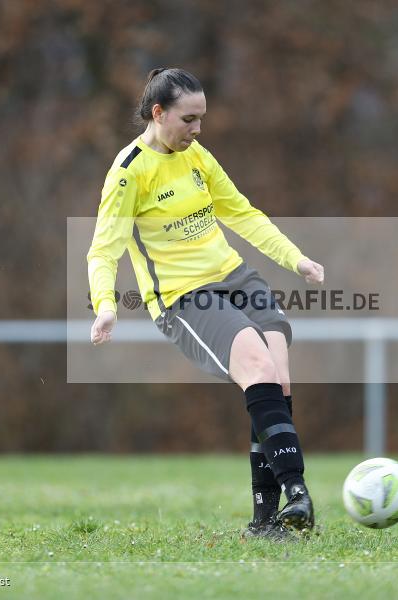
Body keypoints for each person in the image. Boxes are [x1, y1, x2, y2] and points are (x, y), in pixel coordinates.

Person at [87, 68, 325, 537]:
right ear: (158, 113)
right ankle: (296, 491)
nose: (197, 130)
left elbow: (241, 213)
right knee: (257, 366)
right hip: (183, 297)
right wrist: (106, 304)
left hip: (235, 275)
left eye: (201, 119)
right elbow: (103, 249)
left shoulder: (196, 155)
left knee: (277, 379)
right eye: (188, 119)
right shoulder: (129, 173)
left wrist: (295, 258)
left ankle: (265, 522)